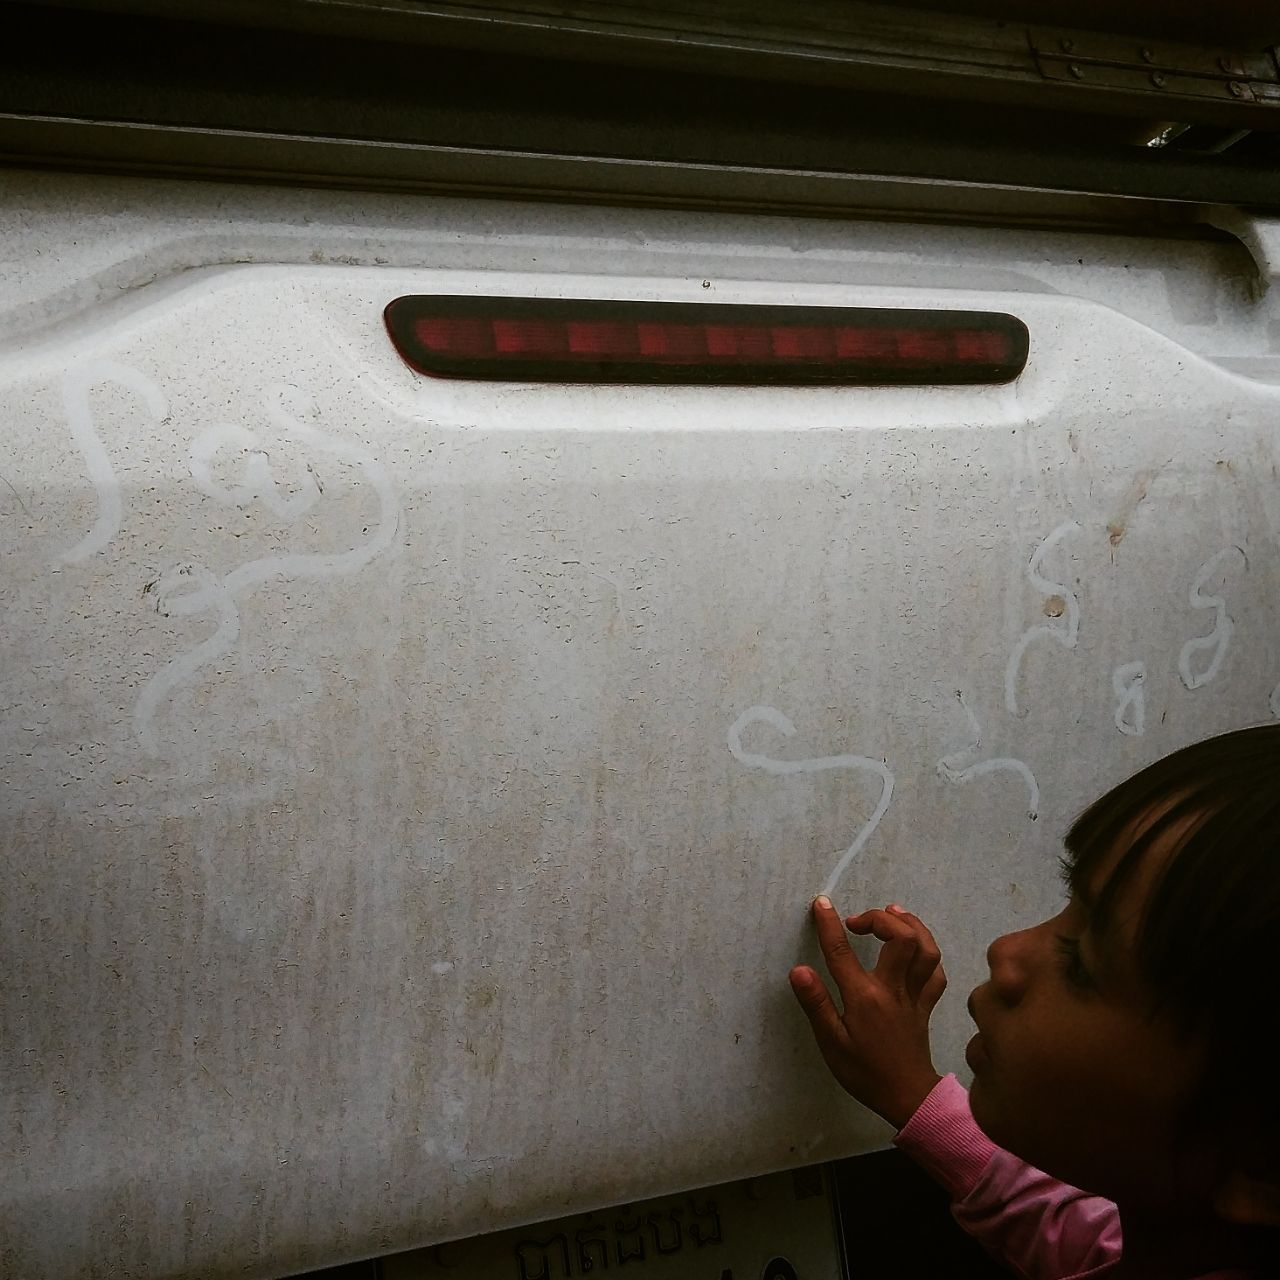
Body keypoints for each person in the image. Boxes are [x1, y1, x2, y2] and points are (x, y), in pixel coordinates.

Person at [788, 724, 1280, 1279]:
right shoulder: (1162, 1244)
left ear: (1263, 1168)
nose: (1006, 952)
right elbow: (1074, 1231)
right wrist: (913, 1092)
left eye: (1082, 964)